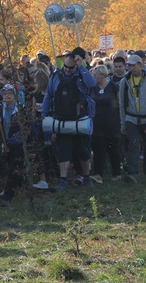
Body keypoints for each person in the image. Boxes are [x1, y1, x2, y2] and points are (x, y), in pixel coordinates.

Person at [42, 49, 97, 190]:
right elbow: (48, 95)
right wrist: (44, 112)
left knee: (84, 152)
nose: (67, 70)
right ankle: (63, 180)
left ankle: (86, 177)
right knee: (63, 152)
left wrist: (81, 66)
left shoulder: (82, 75)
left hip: (80, 119)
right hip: (61, 119)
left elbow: (92, 84)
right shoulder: (55, 76)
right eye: (65, 66)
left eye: (70, 67)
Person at [119, 54, 146, 182]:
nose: (132, 68)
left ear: (141, 65)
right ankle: (131, 173)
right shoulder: (124, 82)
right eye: (129, 65)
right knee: (134, 145)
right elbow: (121, 104)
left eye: (134, 65)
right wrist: (123, 123)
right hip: (131, 119)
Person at [90, 65, 121, 182]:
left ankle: (116, 173)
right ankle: (98, 173)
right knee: (98, 149)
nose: (93, 77)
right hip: (97, 123)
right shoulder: (93, 88)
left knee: (113, 149)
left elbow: (119, 103)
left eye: (95, 75)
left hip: (112, 122)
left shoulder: (113, 86)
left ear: (102, 75)